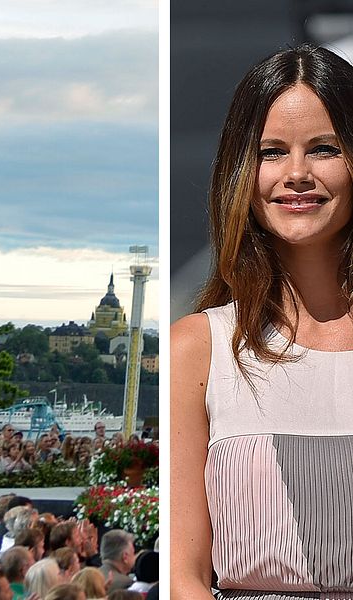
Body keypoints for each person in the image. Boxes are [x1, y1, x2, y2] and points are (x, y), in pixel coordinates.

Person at [171, 45, 353, 599]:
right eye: (271, 152)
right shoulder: (197, 350)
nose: (296, 174)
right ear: (240, 171)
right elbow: (184, 577)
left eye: (323, 149)